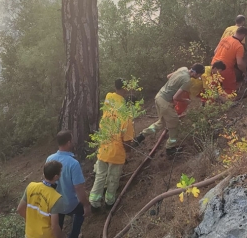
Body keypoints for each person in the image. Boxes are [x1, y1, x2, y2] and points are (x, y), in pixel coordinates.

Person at [133, 64, 206, 155]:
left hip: (159, 97)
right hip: (165, 102)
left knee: (162, 123)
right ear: (196, 73)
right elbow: (176, 97)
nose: (198, 77)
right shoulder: (187, 81)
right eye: (199, 75)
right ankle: (170, 148)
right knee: (174, 124)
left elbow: (168, 76)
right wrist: (186, 100)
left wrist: (174, 85)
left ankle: (141, 136)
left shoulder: (182, 68)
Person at [88, 79, 135, 210]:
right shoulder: (126, 116)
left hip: (104, 145)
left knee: (100, 175)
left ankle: (94, 202)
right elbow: (127, 141)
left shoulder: (109, 98)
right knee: (113, 178)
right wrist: (129, 151)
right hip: (116, 151)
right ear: (125, 89)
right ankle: (110, 201)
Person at [46, 131, 91, 238]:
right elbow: (78, 188)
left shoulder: (49, 159)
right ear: (68, 142)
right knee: (80, 213)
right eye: (71, 140)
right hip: (70, 203)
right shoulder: (73, 163)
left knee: (57, 226)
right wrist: (86, 205)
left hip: (55, 203)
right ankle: (74, 235)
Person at [17, 161, 64, 238]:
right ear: (56, 177)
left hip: (30, 234)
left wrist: (30, 221)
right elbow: (54, 226)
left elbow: (20, 209)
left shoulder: (30, 187)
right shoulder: (56, 197)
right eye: (60, 172)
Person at [212, 27, 247, 94]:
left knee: (213, 87)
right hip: (225, 69)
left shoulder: (225, 39)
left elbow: (215, 51)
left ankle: (213, 102)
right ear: (243, 35)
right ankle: (227, 102)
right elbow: (240, 63)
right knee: (230, 90)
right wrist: (245, 72)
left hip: (214, 65)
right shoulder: (239, 46)